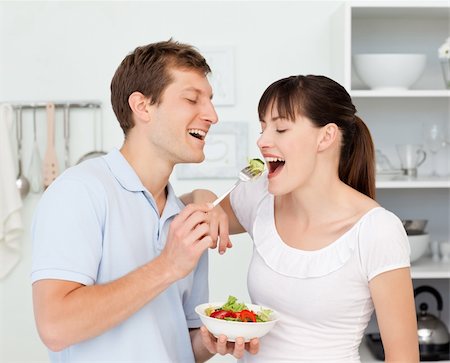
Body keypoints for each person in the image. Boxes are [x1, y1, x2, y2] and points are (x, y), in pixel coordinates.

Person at [31, 39, 258, 362]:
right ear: (142, 106)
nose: (211, 115)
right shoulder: (79, 191)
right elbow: (55, 327)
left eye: (209, 101)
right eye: (192, 99)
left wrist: (213, 340)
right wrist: (167, 266)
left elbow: (180, 341)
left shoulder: (186, 217)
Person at [185, 75, 419, 362]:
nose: (262, 141)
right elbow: (176, 207)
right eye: (262, 128)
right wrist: (204, 198)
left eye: (280, 128)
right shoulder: (260, 197)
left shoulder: (377, 230)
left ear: (326, 136)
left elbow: (404, 356)